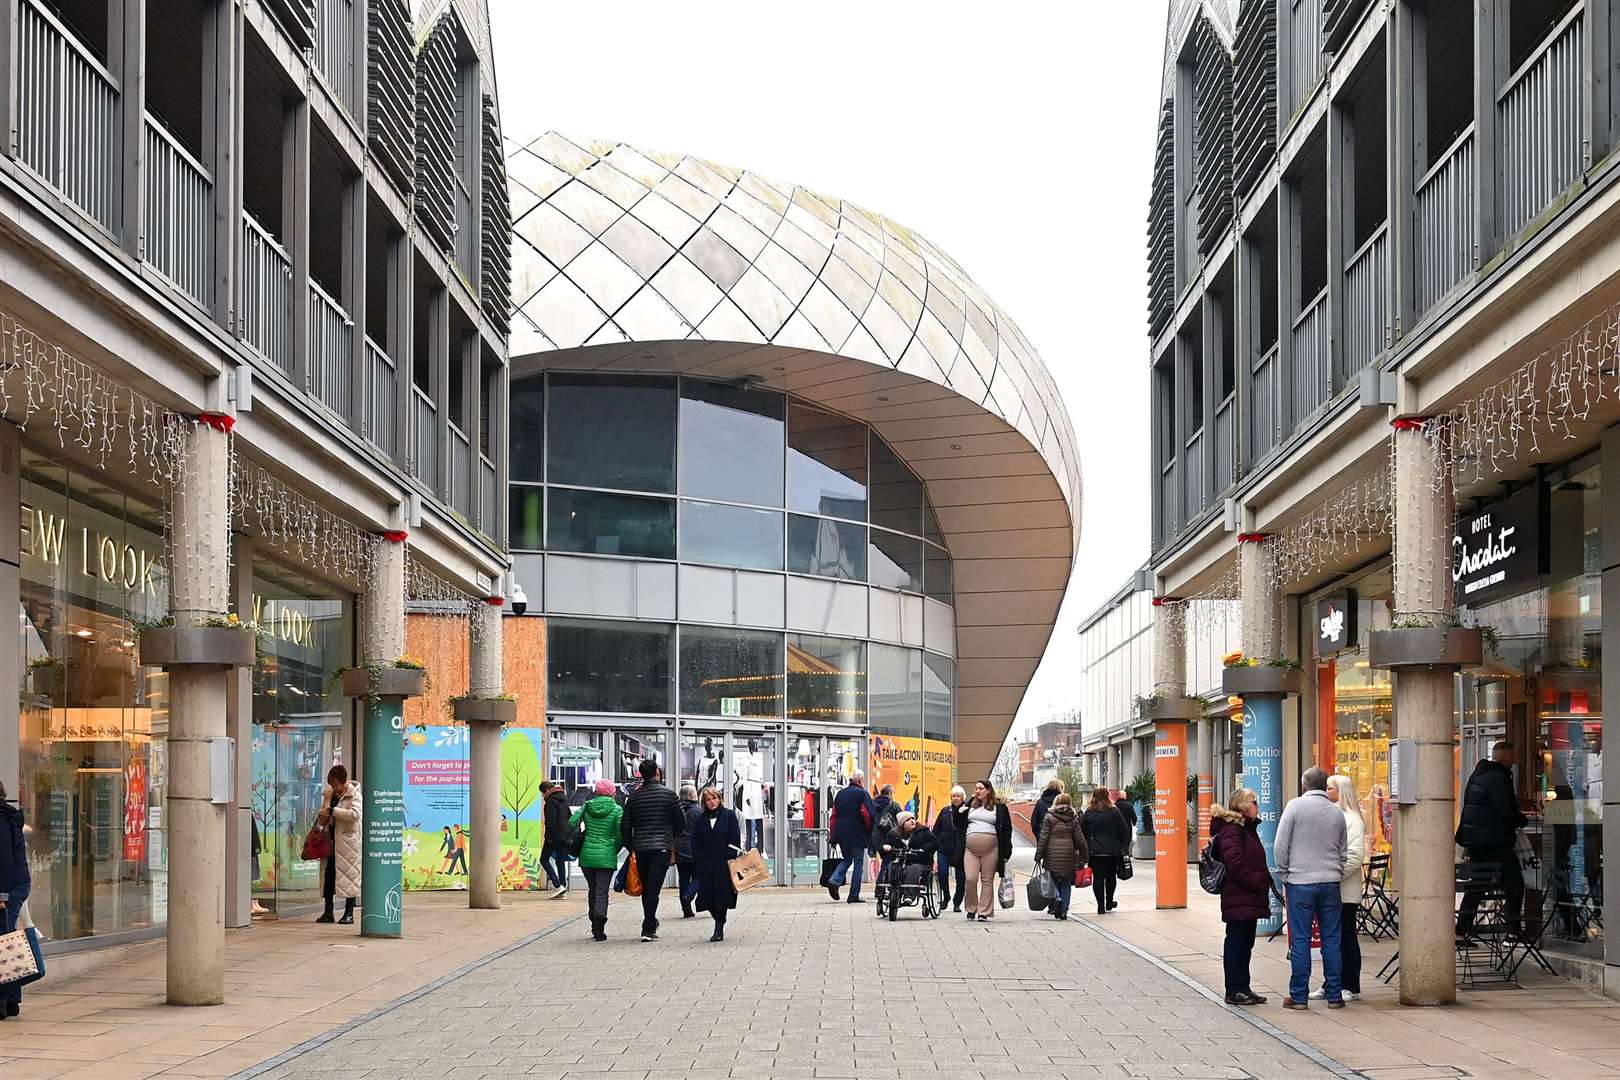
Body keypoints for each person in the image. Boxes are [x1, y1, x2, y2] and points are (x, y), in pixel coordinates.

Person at [1274, 767, 1348, 1010]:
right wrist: (1335, 871)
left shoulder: (1294, 807)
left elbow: (1280, 845)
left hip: (1300, 882)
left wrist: (1285, 872)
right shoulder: (1336, 813)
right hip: (1330, 882)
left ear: (1304, 785)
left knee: (1301, 940)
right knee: (1332, 939)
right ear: (1324, 785)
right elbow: (1343, 851)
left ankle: (1298, 996)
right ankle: (1335, 994)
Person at [1456, 740, 1528, 939]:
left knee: (1478, 885)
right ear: (1506, 757)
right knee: (1515, 884)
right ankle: (1513, 930)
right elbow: (1505, 810)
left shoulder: (1479, 773)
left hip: (1476, 842)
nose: (1514, 760)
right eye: (1512, 756)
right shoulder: (1499, 778)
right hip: (1494, 843)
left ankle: (1461, 930)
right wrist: (1522, 820)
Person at [1211, 788, 1272, 1006]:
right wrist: (1255, 881)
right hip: (1239, 895)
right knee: (1237, 942)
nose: (1258, 806)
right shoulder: (1233, 830)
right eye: (1254, 802)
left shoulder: (1245, 829)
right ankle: (1235, 989)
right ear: (1244, 806)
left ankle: (1243, 987)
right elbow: (1234, 862)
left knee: (1245, 943)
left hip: (1247, 896)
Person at [1312, 773, 1367, 1001]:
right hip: (1331, 888)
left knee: (1346, 937)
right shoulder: (1334, 815)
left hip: (1343, 891)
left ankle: (1349, 983)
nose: (1326, 792)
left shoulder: (1353, 820)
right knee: (1331, 938)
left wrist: (1331, 875)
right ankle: (1331, 982)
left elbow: (1354, 856)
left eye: (1330, 788)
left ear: (1340, 791)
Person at [620, 759, 686, 942]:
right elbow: (682, 821)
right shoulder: (670, 795)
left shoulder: (633, 798)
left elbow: (625, 826)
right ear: (657, 772)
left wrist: (631, 845)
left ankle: (649, 923)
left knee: (648, 887)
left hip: (641, 848)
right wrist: (671, 837)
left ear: (640, 774)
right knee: (652, 888)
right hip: (661, 848)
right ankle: (648, 926)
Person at [568, 779, 624, 941]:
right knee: (602, 892)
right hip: (606, 855)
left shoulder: (587, 806)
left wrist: (581, 831)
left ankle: (593, 921)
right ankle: (600, 925)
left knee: (592, 890)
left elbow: (572, 822)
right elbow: (620, 834)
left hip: (587, 855)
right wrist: (615, 848)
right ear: (612, 793)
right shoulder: (616, 809)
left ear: (596, 792)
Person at [690, 786, 741, 942]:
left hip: (724, 864)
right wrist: (698, 859)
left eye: (714, 798)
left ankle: (719, 926)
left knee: (722, 897)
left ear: (719, 799)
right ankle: (718, 918)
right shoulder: (700, 819)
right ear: (704, 802)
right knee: (706, 897)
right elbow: (695, 841)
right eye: (708, 800)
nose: (712, 802)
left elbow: (735, 838)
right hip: (706, 863)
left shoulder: (729, 816)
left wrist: (729, 857)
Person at [0, 780, 31, 1019]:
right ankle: (11, 1000)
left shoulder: (1, 819)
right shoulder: (6, 815)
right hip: (13, 885)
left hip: (8, 887)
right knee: (7, 940)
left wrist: (2, 895)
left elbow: (4, 861)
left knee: (3, 942)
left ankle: (3, 1002)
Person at [317, 764, 361, 925]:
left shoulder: (354, 795)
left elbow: (355, 814)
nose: (334, 788)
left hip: (348, 842)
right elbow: (325, 815)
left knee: (349, 876)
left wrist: (332, 811)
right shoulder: (329, 795)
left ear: (343, 782)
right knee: (329, 877)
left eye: (336, 784)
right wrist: (323, 815)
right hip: (331, 841)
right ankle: (328, 911)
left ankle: (349, 913)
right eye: (332, 785)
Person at [962, 780, 1012, 922]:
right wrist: (959, 811)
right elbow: (959, 823)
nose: (977, 791)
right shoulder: (970, 805)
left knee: (987, 880)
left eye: (981, 788)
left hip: (991, 849)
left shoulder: (999, 807)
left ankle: (984, 912)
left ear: (988, 790)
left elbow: (1007, 830)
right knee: (970, 879)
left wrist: (1007, 852)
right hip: (970, 849)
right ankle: (971, 908)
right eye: (976, 788)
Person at [1035, 793, 1088, 920]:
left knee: (1053, 882)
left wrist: (1038, 855)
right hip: (1068, 855)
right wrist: (1084, 857)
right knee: (1066, 883)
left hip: (1051, 854)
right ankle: (1064, 910)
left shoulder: (1048, 817)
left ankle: (1057, 898)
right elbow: (1080, 840)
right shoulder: (1073, 819)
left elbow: (1043, 838)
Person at [828, 772, 876, 903]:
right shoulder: (863, 794)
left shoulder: (840, 794)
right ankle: (853, 895)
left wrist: (833, 835)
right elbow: (867, 814)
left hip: (841, 831)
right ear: (860, 780)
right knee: (858, 863)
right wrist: (869, 830)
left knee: (847, 859)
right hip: (857, 832)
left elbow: (834, 815)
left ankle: (834, 880)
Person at [1082, 787, 1132, 913]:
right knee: (1110, 877)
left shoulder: (1089, 812)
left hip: (1095, 851)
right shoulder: (1114, 811)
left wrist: (1088, 844)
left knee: (1098, 878)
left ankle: (1100, 906)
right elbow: (1124, 829)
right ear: (1107, 796)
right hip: (1112, 851)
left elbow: (1083, 831)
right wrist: (1122, 845)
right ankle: (1109, 901)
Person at [932, 786, 966, 912]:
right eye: (953, 796)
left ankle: (957, 902)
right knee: (942, 873)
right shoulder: (946, 811)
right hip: (944, 848)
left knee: (961, 878)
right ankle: (946, 896)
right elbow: (936, 829)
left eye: (958, 796)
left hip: (960, 849)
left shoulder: (967, 810)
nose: (955, 798)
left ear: (963, 797)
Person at [540, 780, 573, 897]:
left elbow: (551, 821)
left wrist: (548, 837)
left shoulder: (550, 800)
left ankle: (558, 885)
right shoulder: (563, 799)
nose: (543, 796)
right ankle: (562, 888)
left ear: (545, 791)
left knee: (543, 859)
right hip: (564, 836)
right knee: (560, 860)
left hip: (554, 836)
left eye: (542, 794)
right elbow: (569, 816)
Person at [675, 783, 701, 918]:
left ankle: (686, 909)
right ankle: (689, 896)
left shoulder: (676, 810)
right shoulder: (698, 811)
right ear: (692, 795)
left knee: (683, 879)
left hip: (679, 849)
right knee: (699, 876)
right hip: (694, 849)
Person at [870, 783, 901, 878]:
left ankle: (881, 885)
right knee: (888, 861)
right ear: (890, 793)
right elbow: (902, 819)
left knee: (884, 860)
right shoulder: (894, 805)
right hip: (888, 838)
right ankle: (882, 884)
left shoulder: (872, 804)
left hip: (874, 837)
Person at [1030, 779, 1063, 845]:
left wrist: (1039, 836)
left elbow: (1034, 822)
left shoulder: (1040, 802)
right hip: (1062, 841)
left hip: (1044, 840)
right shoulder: (1063, 801)